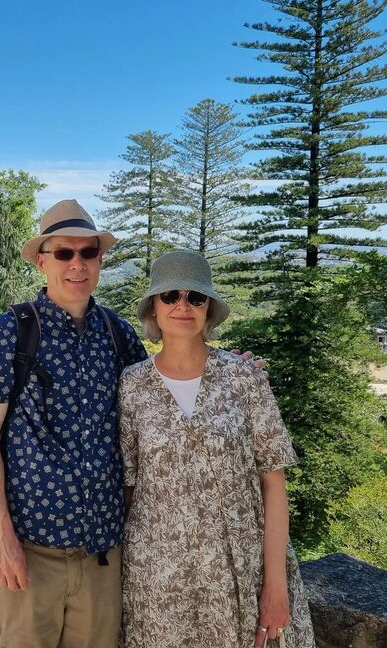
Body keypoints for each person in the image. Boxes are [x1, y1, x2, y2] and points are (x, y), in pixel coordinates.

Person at [0, 199, 149, 648]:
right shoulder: (10, 332)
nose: (77, 265)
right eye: (64, 254)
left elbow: (159, 400)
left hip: (100, 560)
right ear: (41, 260)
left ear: (100, 260)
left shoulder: (118, 335)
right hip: (29, 554)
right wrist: (2, 539)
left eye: (87, 253)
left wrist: (227, 369)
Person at [118, 250, 314, 648]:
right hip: (157, 583)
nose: (183, 306)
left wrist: (275, 586)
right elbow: (128, 489)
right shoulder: (131, 386)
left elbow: (274, 486)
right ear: (153, 308)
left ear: (210, 309)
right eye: (170, 295)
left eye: (196, 297)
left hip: (240, 571)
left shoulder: (244, 378)